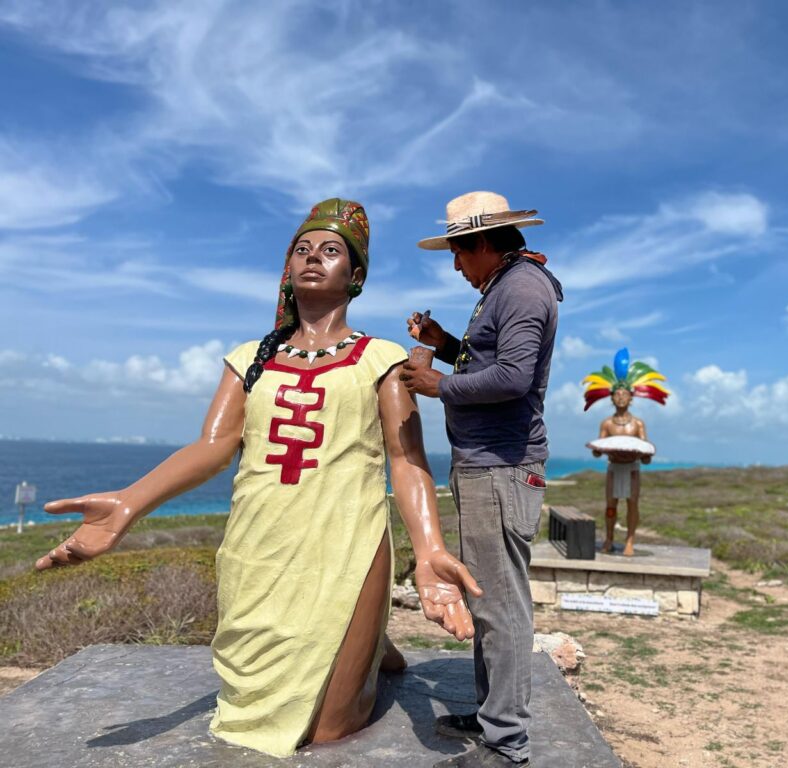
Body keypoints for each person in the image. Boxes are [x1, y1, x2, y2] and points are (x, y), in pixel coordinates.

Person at [35, 198, 482, 758]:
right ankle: (370, 645)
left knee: (328, 732)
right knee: (257, 711)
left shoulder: (380, 359)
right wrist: (129, 503)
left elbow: (405, 458)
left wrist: (430, 551)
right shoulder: (250, 358)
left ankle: (364, 636)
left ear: (357, 275)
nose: (313, 258)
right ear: (287, 269)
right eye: (302, 249)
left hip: (346, 544)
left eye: (331, 250)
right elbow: (212, 446)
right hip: (259, 549)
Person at [401, 191, 562, 768]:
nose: (455, 266)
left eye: (458, 253)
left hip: (501, 466)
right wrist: (446, 344)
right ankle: (494, 710)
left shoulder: (520, 288)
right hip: (487, 464)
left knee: (501, 605)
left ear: (484, 243)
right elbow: (488, 359)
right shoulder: (508, 284)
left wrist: (436, 384)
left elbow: (514, 377)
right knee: (487, 595)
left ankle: (507, 743)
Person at [583, 348, 670, 555]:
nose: (621, 397)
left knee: (632, 504)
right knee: (611, 505)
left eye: (625, 394)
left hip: (632, 469)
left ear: (631, 397)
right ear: (611, 398)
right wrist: (599, 450)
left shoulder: (638, 424)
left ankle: (630, 540)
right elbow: (598, 450)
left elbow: (646, 452)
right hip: (613, 467)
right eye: (617, 394)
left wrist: (644, 455)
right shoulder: (606, 423)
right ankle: (609, 538)